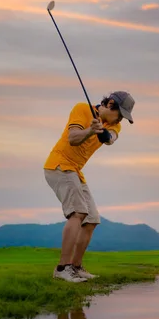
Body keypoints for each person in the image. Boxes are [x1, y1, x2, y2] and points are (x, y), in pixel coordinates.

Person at [44, 91, 135, 283]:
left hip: (75, 170)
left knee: (92, 218)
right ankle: (62, 269)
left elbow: (110, 139)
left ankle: (76, 268)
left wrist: (99, 131)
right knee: (78, 213)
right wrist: (89, 131)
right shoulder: (82, 109)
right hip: (60, 165)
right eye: (120, 114)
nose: (121, 119)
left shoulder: (115, 125)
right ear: (110, 104)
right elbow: (73, 138)